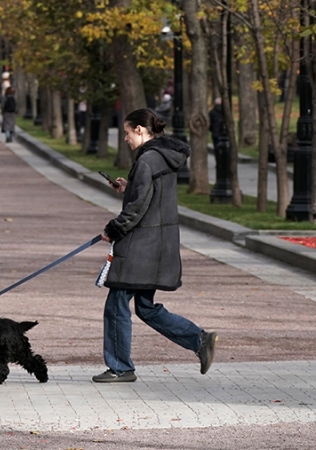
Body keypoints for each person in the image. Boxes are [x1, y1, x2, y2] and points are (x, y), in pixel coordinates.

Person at [92, 108, 217, 383]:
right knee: (145, 307)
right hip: (158, 245)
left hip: (141, 246)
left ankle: (120, 367)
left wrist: (113, 229)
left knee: (116, 304)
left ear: (139, 129)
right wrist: (129, 186)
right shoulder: (162, 157)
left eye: (127, 132)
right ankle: (199, 339)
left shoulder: (147, 160)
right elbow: (150, 196)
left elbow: (137, 207)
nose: (125, 138)